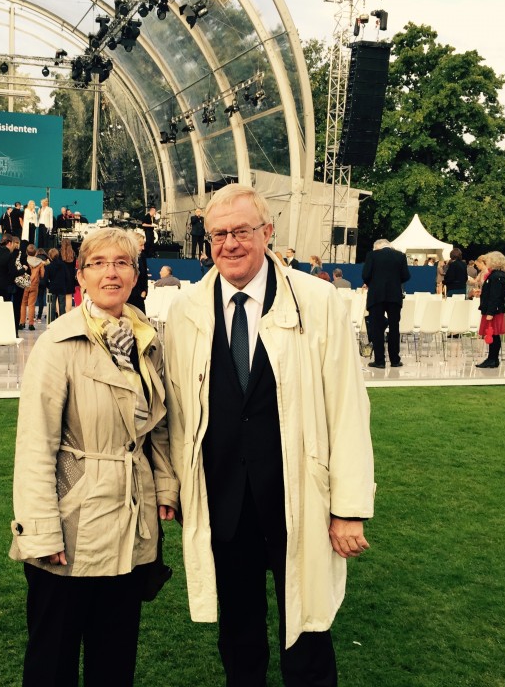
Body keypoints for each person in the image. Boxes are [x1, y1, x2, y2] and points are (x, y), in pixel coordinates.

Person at [163, 184, 374, 687]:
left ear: (268, 232)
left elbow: (347, 406)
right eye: (219, 234)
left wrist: (347, 507)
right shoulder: (186, 309)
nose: (230, 244)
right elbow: (177, 412)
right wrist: (173, 490)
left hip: (297, 495)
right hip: (224, 501)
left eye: (241, 231)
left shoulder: (318, 301)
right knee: (238, 636)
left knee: (307, 628)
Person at [10, 227, 178, 687]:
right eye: (99, 263)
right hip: (71, 527)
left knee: (114, 662)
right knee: (53, 664)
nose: (111, 272)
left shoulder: (145, 339)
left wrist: (164, 488)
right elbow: (34, 444)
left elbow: (156, 426)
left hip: (130, 522)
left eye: (121, 263)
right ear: (81, 276)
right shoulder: (58, 344)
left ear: (136, 274)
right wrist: (41, 531)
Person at [362, 238, 411, 369]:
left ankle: (380, 361)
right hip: (394, 296)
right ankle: (395, 360)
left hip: (376, 296)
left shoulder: (372, 255)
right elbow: (406, 276)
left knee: (377, 328)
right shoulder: (400, 256)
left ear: (377, 247)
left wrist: (374, 282)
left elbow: (365, 275)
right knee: (394, 327)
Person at [476, 251, 505, 368]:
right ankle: (493, 359)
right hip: (495, 309)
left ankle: (492, 359)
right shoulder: (498, 275)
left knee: (493, 334)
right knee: (494, 335)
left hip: (493, 310)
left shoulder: (495, 276)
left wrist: (490, 312)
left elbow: (495, 295)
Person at [44, 239, 76, 318]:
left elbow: (45, 278)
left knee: (55, 303)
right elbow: (72, 268)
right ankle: (65, 316)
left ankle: (56, 317)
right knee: (66, 300)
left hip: (57, 281)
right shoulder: (73, 254)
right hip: (68, 279)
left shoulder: (59, 255)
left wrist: (49, 285)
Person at [127, 232, 150, 313]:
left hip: (140, 298)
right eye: (141, 245)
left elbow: (144, 277)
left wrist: (144, 291)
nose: (143, 248)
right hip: (127, 298)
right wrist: (137, 293)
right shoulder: (125, 257)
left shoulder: (142, 257)